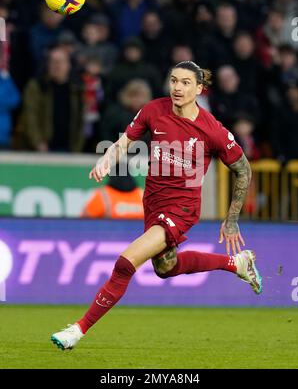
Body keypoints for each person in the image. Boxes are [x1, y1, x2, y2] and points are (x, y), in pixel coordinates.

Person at [51, 60, 262, 350]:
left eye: (185, 82)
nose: (177, 87)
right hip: (153, 202)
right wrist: (107, 158)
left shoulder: (211, 129)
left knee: (126, 263)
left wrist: (233, 218)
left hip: (182, 209)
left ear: (199, 89)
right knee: (166, 267)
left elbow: (243, 169)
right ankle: (236, 263)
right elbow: (125, 141)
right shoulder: (154, 110)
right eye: (174, 80)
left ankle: (77, 330)